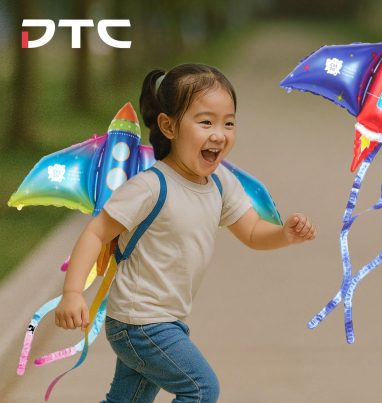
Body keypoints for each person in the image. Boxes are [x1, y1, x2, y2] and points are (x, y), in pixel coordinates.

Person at [53, 64, 316, 402]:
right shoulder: (151, 186)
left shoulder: (222, 183)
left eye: (229, 123)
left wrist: (285, 234)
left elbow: (251, 231)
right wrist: (73, 292)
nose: (219, 133)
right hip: (140, 322)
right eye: (205, 122)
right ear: (169, 126)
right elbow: (96, 232)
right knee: (200, 388)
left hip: (163, 320)